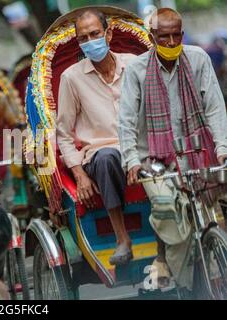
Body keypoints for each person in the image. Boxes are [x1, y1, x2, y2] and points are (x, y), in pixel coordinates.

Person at [119, 8, 227, 290]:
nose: (169, 42)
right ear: (152, 37)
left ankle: (216, 266)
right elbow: (127, 120)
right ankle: (184, 286)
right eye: (163, 36)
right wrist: (131, 160)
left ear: (182, 34)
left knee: (214, 212)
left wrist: (222, 147)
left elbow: (214, 107)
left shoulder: (198, 58)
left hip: (198, 152)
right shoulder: (136, 70)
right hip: (154, 160)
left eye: (175, 35)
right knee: (173, 219)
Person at [56, 9, 136, 265]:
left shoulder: (135, 64)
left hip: (139, 149)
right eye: (83, 38)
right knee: (107, 157)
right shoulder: (71, 78)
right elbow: (64, 134)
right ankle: (122, 238)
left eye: (95, 34)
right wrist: (79, 175)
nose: (90, 42)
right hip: (101, 155)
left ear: (108, 33)